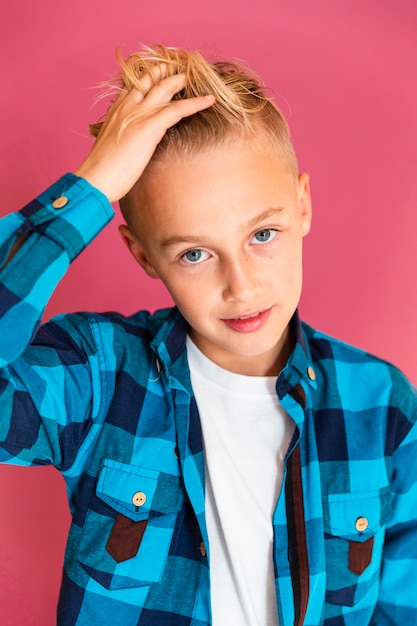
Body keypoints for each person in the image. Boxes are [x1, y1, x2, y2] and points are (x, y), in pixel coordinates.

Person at [0, 44, 416, 626]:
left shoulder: (382, 405)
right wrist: (94, 186)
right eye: (195, 253)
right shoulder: (98, 378)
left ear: (302, 206)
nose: (240, 286)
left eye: (263, 234)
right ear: (143, 255)